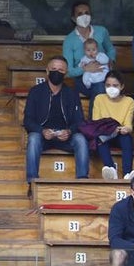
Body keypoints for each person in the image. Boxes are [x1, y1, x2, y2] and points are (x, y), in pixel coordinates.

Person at [22, 56, 89, 196]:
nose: (56, 72)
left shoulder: (71, 93)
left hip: (65, 136)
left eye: (60, 70)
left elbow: (80, 121)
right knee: (33, 138)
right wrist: (42, 131)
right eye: (53, 69)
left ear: (66, 73)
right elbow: (27, 120)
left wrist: (69, 132)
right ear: (47, 71)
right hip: (43, 136)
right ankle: (32, 183)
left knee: (81, 139)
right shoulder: (36, 92)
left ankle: (83, 181)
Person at [63, 0, 116, 111]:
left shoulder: (101, 31)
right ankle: (94, 124)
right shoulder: (69, 40)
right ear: (73, 18)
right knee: (100, 88)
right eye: (80, 14)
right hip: (82, 80)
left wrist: (111, 60)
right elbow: (68, 71)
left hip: (104, 74)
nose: (84, 16)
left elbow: (110, 49)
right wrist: (85, 69)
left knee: (111, 85)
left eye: (87, 13)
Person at [91, 71, 134, 181]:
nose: (111, 88)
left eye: (115, 85)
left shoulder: (129, 101)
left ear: (122, 86)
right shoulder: (99, 98)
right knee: (100, 139)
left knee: (127, 138)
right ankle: (110, 169)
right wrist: (110, 128)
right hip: (105, 133)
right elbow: (96, 121)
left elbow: (128, 125)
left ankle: (127, 173)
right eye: (108, 85)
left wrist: (125, 129)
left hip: (120, 133)